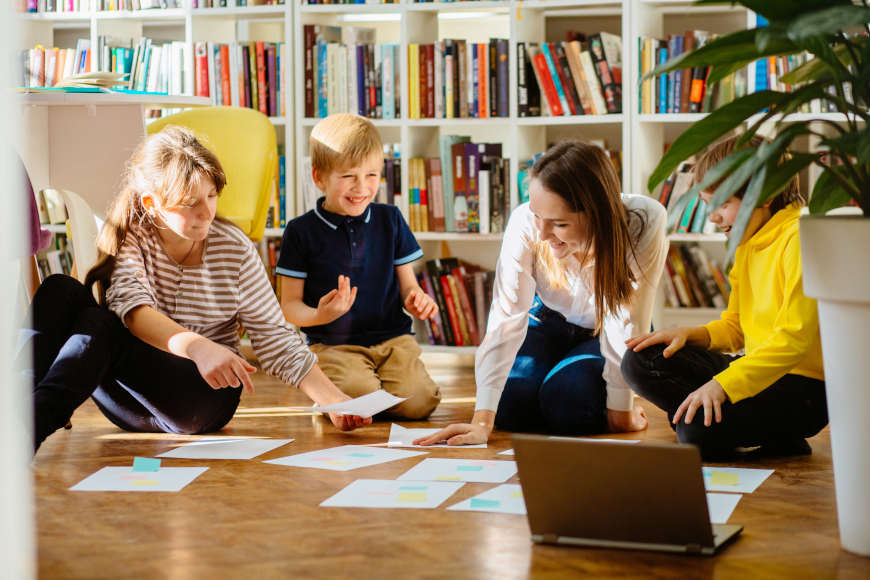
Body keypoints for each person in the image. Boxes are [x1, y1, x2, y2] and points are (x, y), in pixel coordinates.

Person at [24, 126, 369, 452]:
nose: (207, 212)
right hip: (132, 401)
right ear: (150, 204)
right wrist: (197, 347)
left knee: (99, 324)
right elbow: (132, 311)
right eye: (191, 203)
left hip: (202, 399)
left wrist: (333, 400)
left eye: (212, 196)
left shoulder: (233, 248)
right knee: (62, 290)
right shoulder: (134, 234)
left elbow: (275, 339)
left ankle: (25, 428)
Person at [416, 139, 668, 446]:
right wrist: (481, 421)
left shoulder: (644, 220)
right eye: (538, 215)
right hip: (547, 320)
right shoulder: (526, 223)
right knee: (508, 405)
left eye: (560, 223)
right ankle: (551, 383)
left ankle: (563, 389)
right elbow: (506, 318)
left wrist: (620, 411)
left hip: (609, 329)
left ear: (597, 215)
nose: (543, 234)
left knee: (568, 405)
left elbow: (625, 321)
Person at [621, 134, 828, 460]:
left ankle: (725, 424)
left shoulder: (800, 236)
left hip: (804, 389)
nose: (714, 217)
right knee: (641, 360)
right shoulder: (747, 240)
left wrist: (723, 385)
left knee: (694, 433)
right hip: (756, 372)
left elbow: (794, 340)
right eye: (707, 205)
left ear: (765, 194)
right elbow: (735, 327)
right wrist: (689, 335)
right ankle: (731, 423)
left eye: (724, 205)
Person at [278, 113, 441, 419]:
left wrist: (417, 300)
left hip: (394, 339)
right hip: (335, 345)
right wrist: (320, 315)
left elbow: (409, 287)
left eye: (371, 175)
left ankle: (357, 395)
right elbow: (289, 306)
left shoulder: (390, 219)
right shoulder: (300, 232)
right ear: (319, 177)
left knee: (420, 402)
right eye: (348, 176)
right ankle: (335, 395)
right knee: (360, 397)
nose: (362, 187)